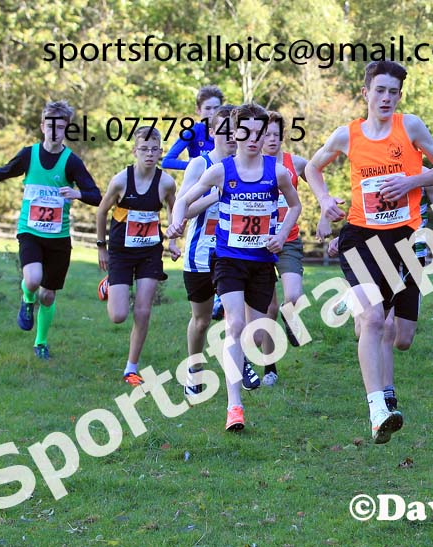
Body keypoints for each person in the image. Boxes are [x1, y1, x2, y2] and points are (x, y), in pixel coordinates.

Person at [305, 60, 433, 444]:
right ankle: (378, 410)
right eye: (380, 90)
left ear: (400, 96)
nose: (386, 98)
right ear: (365, 93)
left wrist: (410, 182)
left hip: (404, 241)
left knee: (396, 332)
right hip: (360, 237)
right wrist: (324, 201)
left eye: (393, 92)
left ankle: (354, 300)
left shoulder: (411, 127)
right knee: (373, 320)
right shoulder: (347, 135)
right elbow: (313, 169)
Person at [167, 103, 301, 431]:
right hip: (228, 260)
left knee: (257, 333)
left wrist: (281, 234)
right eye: (246, 132)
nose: (253, 139)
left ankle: (239, 362)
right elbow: (183, 199)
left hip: (261, 262)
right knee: (235, 324)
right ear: (235, 133)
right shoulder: (221, 171)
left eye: (259, 133)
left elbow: (295, 206)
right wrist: (175, 222)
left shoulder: (278, 172)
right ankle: (234, 406)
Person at [0, 100, 101, 360]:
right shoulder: (28, 155)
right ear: (43, 126)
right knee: (32, 280)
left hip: (58, 237)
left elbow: (96, 196)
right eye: (50, 126)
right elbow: (2, 172)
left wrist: (77, 193)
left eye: (61, 127)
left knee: (48, 295)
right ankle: (26, 299)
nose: (55, 131)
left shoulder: (71, 162)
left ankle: (40, 342)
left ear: (66, 129)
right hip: (30, 231)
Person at [328, 181, 433, 414]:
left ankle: (354, 296)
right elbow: (363, 211)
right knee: (381, 326)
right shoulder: (378, 170)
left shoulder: (425, 176)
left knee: (403, 340)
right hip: (380, 251)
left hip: (413, 258)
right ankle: (386, 394)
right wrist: (343, 236)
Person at [96, 127, 177, 386]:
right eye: (144, 149)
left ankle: (131, 368)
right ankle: (110, 283)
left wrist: (173, 241)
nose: (149, 154)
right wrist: (101, 246)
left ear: (161, 152)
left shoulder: (166, 183)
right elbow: (101, 212)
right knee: (118, 316)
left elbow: (174, 209)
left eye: (154, 149)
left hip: (150, 252)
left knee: (143, 311)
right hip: (121, 252)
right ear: (134, 151)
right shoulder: (121, 180)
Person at [173, 105, 237, 397]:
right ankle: (194, 370)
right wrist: (216, 195)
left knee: (237, 317)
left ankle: (239, 368)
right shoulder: (200, 164)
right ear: (212, 132)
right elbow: (185, 208)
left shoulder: (248, 165)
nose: (232, 135)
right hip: (200, 252)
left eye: (236, 129)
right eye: (224, 130)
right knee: (200, 321)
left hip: (233, 253)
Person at [258, 111, 309, 386]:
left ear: (283, 136)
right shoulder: (251, 165)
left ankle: (292, 319)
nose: (271, 140)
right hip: (259, 245)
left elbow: (316, 175)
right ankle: (270, 369)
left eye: (276, 135)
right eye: (266, 134)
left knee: (294, 296)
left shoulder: (294, 163)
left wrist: (327, 206)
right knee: (269, 309)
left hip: (288, 239)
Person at [161, 85, 224, 171]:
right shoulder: (193, 132)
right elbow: (167, 162)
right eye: (208, 108)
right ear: (198, 110)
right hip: (199, 179)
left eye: (216, 108)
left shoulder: (230, 131)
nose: (212, 112)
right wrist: (196, 167)